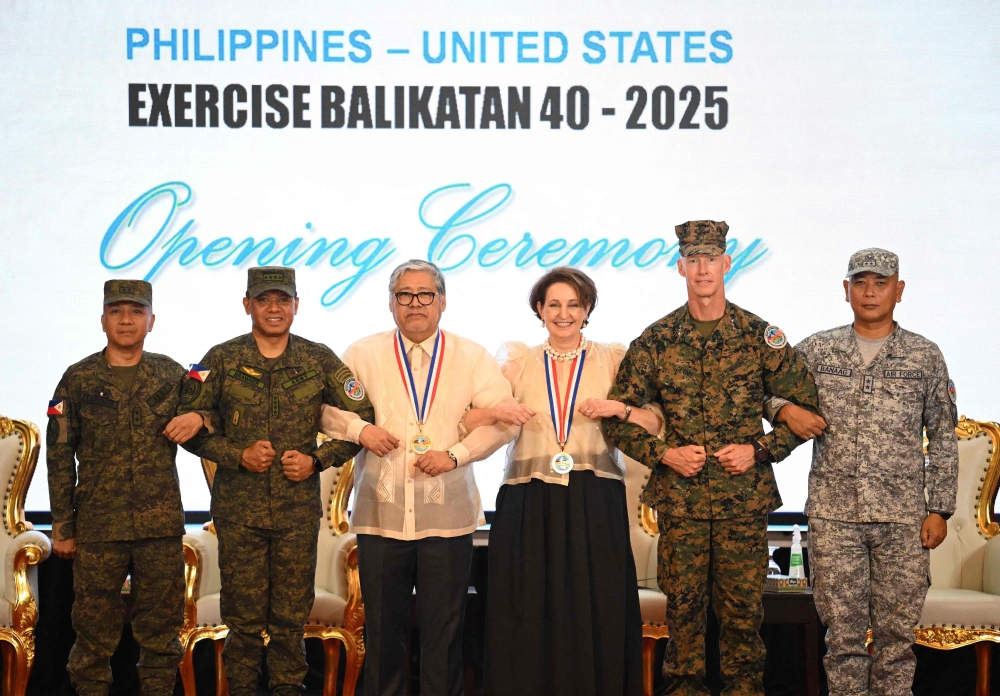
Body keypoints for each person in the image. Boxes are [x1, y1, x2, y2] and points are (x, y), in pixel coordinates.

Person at [603, 221, 820, 696]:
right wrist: (665, 455)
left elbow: (808, 412)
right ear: (681, 266)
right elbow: (615, 419)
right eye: (693, 260)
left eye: (711, 259)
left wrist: (760, 449)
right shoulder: (656, 341)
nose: (703, 269)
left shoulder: (761, 337)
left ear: (726, 264)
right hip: (681, 504)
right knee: (683, 619)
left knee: (743, 620)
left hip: (742, 504)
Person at [320, 259, 518, 696]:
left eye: (425, 294)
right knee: (384, 636)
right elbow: (327, 409)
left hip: (446, 519)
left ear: (442, 302)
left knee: (443, 638)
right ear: (391, 304)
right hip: (381, 516)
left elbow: (504, 421)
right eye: (404, 295)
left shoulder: (471, 356)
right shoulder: (362, 353)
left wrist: (456, 454)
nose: (415, 303)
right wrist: (360, 429)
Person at [766, 248, 958, 696]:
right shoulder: (817, 349)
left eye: (881, 282)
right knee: (844, 640)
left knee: (897, 642)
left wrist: (940, 510)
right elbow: (766, 390)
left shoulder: (924, 355)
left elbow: (944, 437)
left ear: (899, 290)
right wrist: (787, 408)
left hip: (903, 519)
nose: (870, 292)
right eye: (860, 282)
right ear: (846, 290)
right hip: (835, 518)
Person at [177, 266, 372, 696]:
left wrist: (317, 461)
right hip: (239, 513)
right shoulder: (220, 359)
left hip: (295, 514)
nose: (273, 308)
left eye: (282, 300)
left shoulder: (318, 359)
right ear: (247, 305)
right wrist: (236, 455)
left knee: (288, 625)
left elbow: (364, 418)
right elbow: (185, 427)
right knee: (243, 626)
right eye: (264, 300)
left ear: (296, 306)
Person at [466, 267, 658, 696]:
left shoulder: (614, 357)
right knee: (526, 606)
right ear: (539, 309)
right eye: (554, 304)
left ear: (587, 309)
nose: (563, 313)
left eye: (573, 304)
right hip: (528, 497)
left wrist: (617, 409)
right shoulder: (516, 359)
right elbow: (470, 417)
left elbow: (653, 420)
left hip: (595, 496)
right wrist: (500, 413)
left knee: (597, 604)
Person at [46, 279, 204, 696]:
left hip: (159, 527)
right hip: (99, 528)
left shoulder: (172, 374)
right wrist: (62, 523)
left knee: (160, 636)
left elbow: (208, 416)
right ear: (102, 320)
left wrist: (201, 419)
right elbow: (60, 454)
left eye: (136, 312)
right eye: (117, 312)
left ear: (152, 321)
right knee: (93, 638)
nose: (127, 320)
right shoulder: (78, 379)